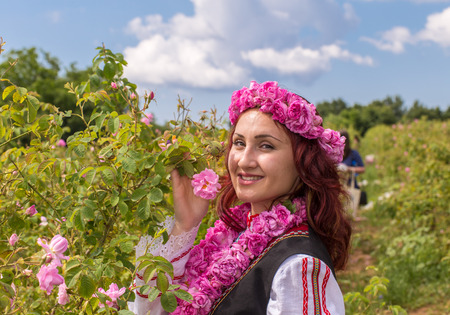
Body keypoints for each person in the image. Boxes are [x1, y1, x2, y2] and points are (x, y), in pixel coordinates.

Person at [128, 81, 352, 314]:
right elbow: (150, 310)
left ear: (303, 162)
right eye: (239, 143)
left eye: (266, 146)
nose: (244, 161)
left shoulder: (297, 266)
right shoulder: (232, 236)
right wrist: (185, 225)